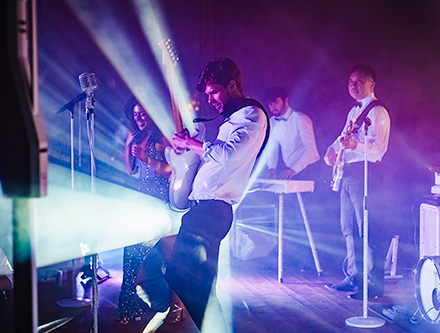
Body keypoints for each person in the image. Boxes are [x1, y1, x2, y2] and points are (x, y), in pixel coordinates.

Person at [165, 58, 269, 332]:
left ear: (231, 85)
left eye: (214, 92)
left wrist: (192, 143)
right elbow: (214, 159)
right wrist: (191, 146)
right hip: (205, 210)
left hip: (212, 212)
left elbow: (228, 154)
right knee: (202, 285)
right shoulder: (232, 119)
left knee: (179, 273)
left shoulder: (252, 116)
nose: (210, 99)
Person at [324, 65, 391, 300]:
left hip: (366, 174)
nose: (353, 84)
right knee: (349, 228)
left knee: (368, 231)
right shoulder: (353, 112)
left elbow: (378, 151)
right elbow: (341, 138)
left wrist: (356, 147)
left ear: (371, 85)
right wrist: (331, 151)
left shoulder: (377, 112)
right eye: (350, 80)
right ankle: (354, 276)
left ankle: (373, 285)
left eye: (359, 80)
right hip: (348, 174)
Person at [116, 97, 173, 326]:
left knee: (148, 258)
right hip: (142, 203)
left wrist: (146, 158)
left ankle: (158, 306)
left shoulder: (161, 138)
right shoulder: (139, 138)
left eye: (143, 114)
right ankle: (128, 306)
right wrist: (128, 146)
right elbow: (130, 170)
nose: (139, 118)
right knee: (130, 254)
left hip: (160, 204)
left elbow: (170, 170)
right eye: (136, 114)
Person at [263, 87, 320, 180]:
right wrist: (271, 168)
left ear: (285, 100)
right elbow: (272, 148)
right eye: (270, 104)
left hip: (310, 170)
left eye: (276, 103)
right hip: (290, 170)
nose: (273, 108)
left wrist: (294, 169)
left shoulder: (300, 119)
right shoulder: (272, 122)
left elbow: (312, 150)